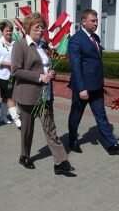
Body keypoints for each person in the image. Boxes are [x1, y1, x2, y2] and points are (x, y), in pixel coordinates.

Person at [11, 12, 75, 176]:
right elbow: (16, 71)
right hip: (28, 95)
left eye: (42, 27)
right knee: (27, 129)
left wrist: (51, 73)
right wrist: (40, 77)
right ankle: (24, 156)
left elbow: (46, 67)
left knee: (50, 128)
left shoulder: (43, 46)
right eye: (37, 27)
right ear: (28, 28)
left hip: (45, 94)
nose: (41, 30)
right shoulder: (20, 45)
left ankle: (60, 162)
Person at [67, 9, 119, 155]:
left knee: (101, 115)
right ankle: (72, 139)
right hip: (82, 88)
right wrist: (82, 88)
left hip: (96, 86)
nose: (96, 23)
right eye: (93, 21)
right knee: (76, 115)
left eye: (96, 20)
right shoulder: (76, 39)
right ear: (83, 21)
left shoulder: (95, 38)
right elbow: (75, 66)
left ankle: (111, 144)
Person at [0, 21, 21, 127]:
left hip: (13, 74)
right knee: (10, 96)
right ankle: (16, 119)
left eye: (10, 31)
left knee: (5, 96)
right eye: (6, 31)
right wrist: (7, 64)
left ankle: (3, 116)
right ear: (2, 32)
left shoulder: (15, 42)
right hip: (1, 74)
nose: (9, 33)